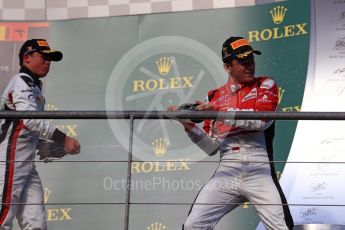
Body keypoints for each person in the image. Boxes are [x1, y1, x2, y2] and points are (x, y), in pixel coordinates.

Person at [168, 36, 294, 230]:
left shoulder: (265, 84)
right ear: (227, 67)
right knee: (193, 225)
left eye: (251, 60)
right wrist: (186, 124)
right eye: (242, 62)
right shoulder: (213, 96)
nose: (249, 66)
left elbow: (261, 120)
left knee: (282, 227)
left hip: (258, 168)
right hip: (227, 168)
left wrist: (220, 111)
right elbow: (211, 147)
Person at [0, 39, 80, 230]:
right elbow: (30, 120)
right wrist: (64, 139)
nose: (48, 62)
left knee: (36, 224)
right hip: (9, 161)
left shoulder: (36, 86)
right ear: (26, 58)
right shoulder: (20, 81)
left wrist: (54, 148)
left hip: (27, 165)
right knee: (3, 218)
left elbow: (28, 132)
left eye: (50, 58)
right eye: (44, 57)